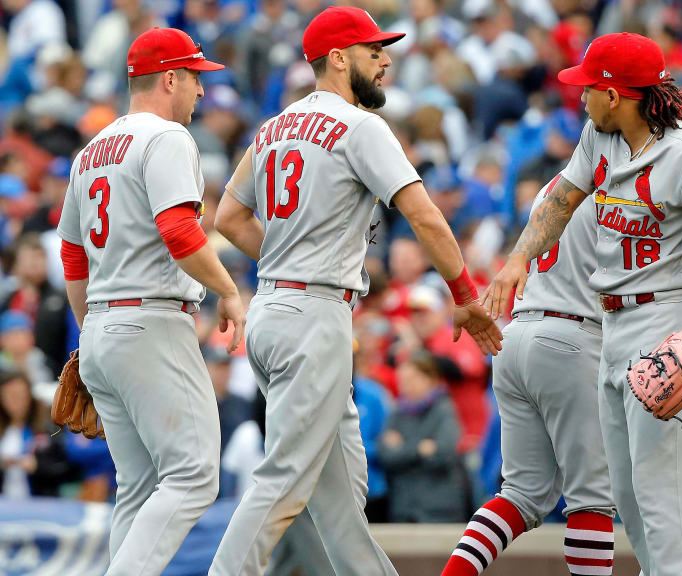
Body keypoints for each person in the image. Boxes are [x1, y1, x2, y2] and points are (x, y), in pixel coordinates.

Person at [211, 7, 502, 575]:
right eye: (375, 51)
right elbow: (425, 218)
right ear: (339, 59)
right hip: (312, 314)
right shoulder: (360, 125)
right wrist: (465, 293)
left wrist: (285, 257)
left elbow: (228, 216)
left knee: (342, 497)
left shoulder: (273, 126)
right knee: (286, 477)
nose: (387, 59)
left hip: (276, 307)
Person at [484, 32, 682, 576]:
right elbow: (563, 199)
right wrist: (517, 260)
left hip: (668, 317)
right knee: (630, 498)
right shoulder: (600, 134)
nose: (580, 96)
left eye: (589, 87)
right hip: (611, 321)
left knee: (660, 497)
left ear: (616, 94)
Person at [56, 27, 245, 576]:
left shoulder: (90, 151)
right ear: (170, 78)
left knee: (137, 489)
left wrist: (90, 332)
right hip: (151, 321)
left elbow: (73, 258)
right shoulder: (166, 138)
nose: (201, 92)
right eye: (194, 78)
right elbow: (179, 232)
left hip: (102, 326)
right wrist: (230, 290)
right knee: (193, 475)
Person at [442, 176, 615, 576]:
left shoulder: (558, 180)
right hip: (571, 335)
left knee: (520, 496)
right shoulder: (616, 173)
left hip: (517, 332)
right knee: (592, 499)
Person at [379, 350, 464, 522]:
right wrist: (420, 449)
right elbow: (385, 455)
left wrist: (403, 448)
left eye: (412, 380)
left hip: (440, 510)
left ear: (430, 379)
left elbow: (444, 454)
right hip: (403, 509)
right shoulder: (396, 414)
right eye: (402, 381)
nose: (406, 386)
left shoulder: (444, 410)